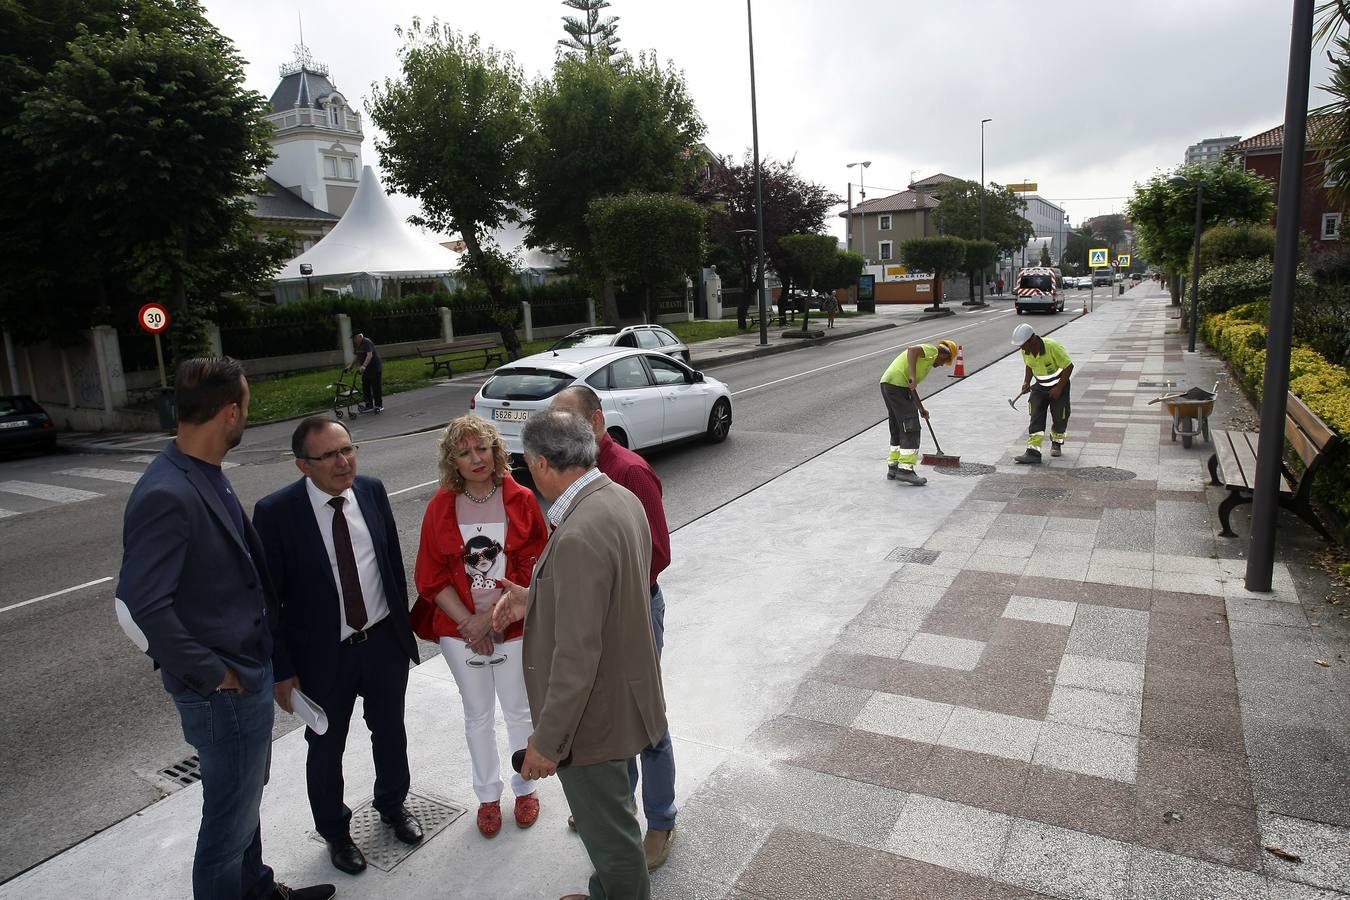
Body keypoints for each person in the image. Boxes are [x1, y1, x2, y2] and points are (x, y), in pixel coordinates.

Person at [117, 357, 333, 900]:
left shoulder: (203, 472)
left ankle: (257, 889)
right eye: (247, 408)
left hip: (247, 671)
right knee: (226, 825)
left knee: (244, 800)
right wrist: (214, 674)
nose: (247, 418)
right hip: (223, 690)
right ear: (230, 412)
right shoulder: (167, 492)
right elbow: (143, 604)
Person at [493, 408, 667, 900]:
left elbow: (576, 655)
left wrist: (547, 743)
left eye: (526, 465)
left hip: (593, 720)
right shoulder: (619, 498)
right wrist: (538, 596)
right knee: (608, 822)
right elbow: (611, 596)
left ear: (544, 463)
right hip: (620, 696)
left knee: (611, 838)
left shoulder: (578, 531)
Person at [252, 415, 422, 876]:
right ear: (302, 465)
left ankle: (393, 805)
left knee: (391, 733)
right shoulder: (276, 513)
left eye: (348, 449)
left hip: (383, 642)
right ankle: (336, 832)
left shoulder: (372, 490)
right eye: (328, 455)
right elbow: (269, 601)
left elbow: (388, 560)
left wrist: (403, 630)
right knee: (326, 748)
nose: (343, 461)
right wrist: (282, 670)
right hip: (324, 657)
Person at [551, 386, 677, 871]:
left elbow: (658, 553)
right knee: (608, 715)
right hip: (594, 615)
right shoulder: (572, 474)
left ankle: (662, 821)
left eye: (570, 424)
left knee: (646, 720)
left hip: (634, 615)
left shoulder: (629, 471)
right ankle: (616, 809)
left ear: (598, 421)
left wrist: (604, 597)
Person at [413, 416, 549, 838]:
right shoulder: (441, 505)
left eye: (482, 448)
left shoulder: (521, 499)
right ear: (452, 460)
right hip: (461, 632)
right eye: (465, 452)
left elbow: (537, 564)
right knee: (477, 716)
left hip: (513, 626)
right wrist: (470, 624)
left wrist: (494, 619)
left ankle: (524, 786)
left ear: (495, 451)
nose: (476, 459)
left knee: (518, 710)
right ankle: (488, 797)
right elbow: (430, 576)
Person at [878, 339, 959, 486]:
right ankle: (906, 470)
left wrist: (921, 408)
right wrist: (913, 377)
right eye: (944, 362)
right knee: (911, 426)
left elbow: (911, 387)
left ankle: (893, 468)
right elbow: (912, 350)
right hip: (896, 385)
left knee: (897, 425)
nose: (941, 365)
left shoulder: (926, 362)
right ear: (943, 354)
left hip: (889, 384)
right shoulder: (932, 351)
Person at [1011, 322, 1074, 464]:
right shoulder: (1025, 350)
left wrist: (1058, 388)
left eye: (1023, 344)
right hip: (1040, 387)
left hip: (1059, 386)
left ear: (1032, 340)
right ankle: (1033, 453)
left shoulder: (1052, 346)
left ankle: (1056, 442)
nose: (1021, 348)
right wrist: (1026, 382)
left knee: (1060, 417)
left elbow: (1069, 367)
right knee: (1035, 416)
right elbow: (1029, 365)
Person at [349, 332, 382, 413]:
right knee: (365, 387)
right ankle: (369, 405)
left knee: (376, 388)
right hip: (366, 370)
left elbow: (369, 355)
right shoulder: (357, 345)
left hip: (374, 368)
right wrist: (350, 366)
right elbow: (356, 356)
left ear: (360, 336)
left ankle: (379, 405)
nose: (354, 340)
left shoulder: (367, 342)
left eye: (355, 338)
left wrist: (363, 366)